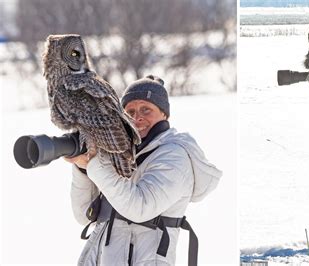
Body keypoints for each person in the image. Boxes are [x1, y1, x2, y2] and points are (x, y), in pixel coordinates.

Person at [65, 75, 222, 265]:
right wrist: (83, 169)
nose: (137, 117)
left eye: (146, 109)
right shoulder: (120, 155)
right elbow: (84, 215)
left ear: (164, 114)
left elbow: (140, 208)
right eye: (129, 111)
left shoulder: (175, 156)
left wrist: (93, 164)